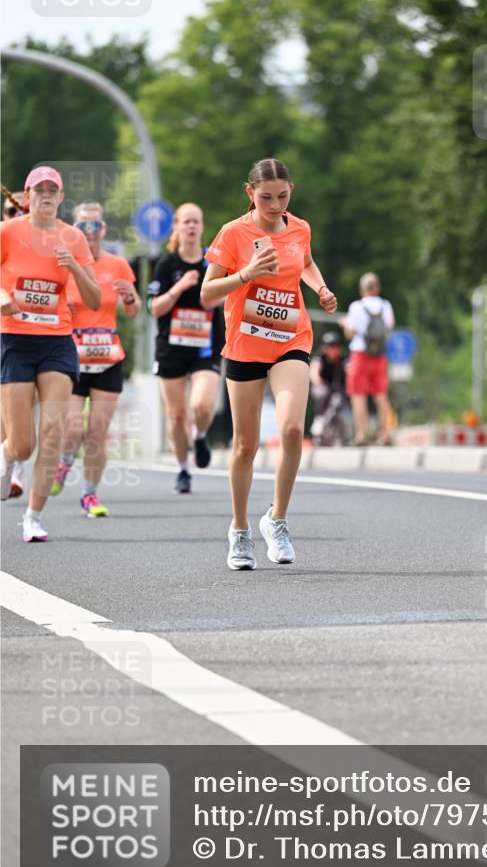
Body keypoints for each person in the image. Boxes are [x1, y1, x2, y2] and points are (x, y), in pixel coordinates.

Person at [201, 157, 337, 570]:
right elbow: (207, 293)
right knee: (245, 445)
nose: (274, 205)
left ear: (290, 190)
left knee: (293, 428)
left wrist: (320, 287)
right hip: (245, 345)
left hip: (290, 339)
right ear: (250, 194)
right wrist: (245, 275)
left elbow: (306, 262)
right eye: (265, 198)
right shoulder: (233, 232)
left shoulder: (300, 228)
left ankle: (276, 519)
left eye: (282, 196)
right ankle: (240, 530)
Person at [0, 166, 101, 541]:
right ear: (27, 198)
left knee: (54, 433)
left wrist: (74, 265)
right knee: (23, 442)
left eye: (52, 190)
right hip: (14, 340)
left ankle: (33, 517)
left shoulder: (72, 238)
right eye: (38, 189)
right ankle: (8, 456)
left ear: (60, 198)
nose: (45, 195)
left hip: (57, 342)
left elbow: (93, 299)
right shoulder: (8, 232)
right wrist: (3, 297)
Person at [49, 201, 141, 515]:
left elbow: (133, 309)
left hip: (108, 356)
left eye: (95, 226)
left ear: (103, 229)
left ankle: (89, 495)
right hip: (72, 356)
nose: (89, 232)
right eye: (82, 226)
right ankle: (63, 463)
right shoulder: (62, 264)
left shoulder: (117, 265)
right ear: (74, 231)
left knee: (98, 432)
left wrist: (130, 297)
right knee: (73, 428)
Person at [147, 203, 224, 493]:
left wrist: (212, 297)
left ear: (202, 226)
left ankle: (200, 435)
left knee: (202, 405)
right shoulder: (167, 264)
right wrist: (179, 288)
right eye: (186, 222)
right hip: (171, 347)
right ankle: (182, 469)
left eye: (196, 221)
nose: (191, 226)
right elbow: (153, 307)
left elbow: (225, 297)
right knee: (177, 414)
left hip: (204, 346)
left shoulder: (211, 262)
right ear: (177, 227)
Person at [343, 272, 395, 446]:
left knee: (359, 395)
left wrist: (344, 324)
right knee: (381, 396)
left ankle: (361, 435)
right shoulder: (385, 305)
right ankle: (385, 434)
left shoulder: (356, 307)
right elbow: (389, 326)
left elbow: (350, 333)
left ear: (361, 289)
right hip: (379, 354)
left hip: (360, 353)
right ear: (378, 288)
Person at [1, 188, 29, 497]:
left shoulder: (45, 241)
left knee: (24, 409)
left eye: (23, 211)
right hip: (4, 332)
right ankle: (8, 464)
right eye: (13, 212)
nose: (19, 217)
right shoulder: (4, 238)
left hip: (37, 335)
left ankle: (16, 466)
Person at [309, 330, 350, 446]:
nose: (333, 349)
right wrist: (317, 380)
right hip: (324, 389)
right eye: (330, 346)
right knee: (322, 393)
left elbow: (350, 370)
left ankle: (344, 433)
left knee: (342, 405)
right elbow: (314, 373)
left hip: (338, 390)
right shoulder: (319, 359)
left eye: (336, 346)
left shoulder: (343, 360)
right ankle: (319, 423)